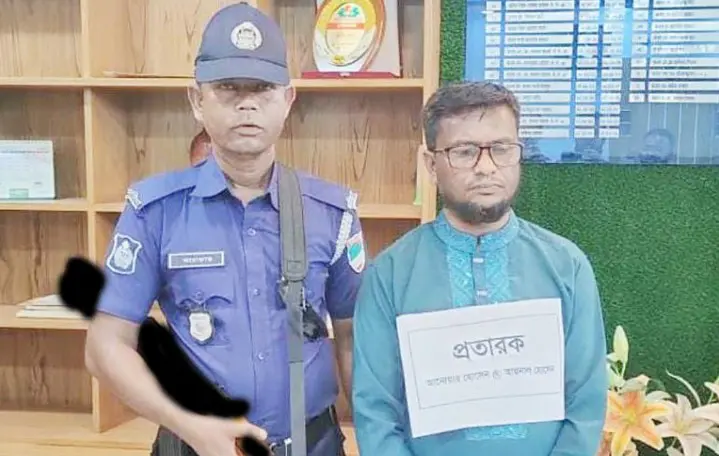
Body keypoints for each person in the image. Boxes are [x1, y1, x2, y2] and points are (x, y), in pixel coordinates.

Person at [85, 3, 363, 456]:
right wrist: (190, 425)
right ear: (197, 101)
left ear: (288, 100)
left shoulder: (332, 213)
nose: (246, 103)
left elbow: (352, 341)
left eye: (263, 88)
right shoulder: (155, 211)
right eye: (228, 88)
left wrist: (377, 437)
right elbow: (104, 346)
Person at [351, 81, 608, 455]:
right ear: (431, 165)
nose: (486, 167)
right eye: (464, 151)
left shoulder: (567, 266)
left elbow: (585, 405)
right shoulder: (389, 274)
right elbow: (376, 414)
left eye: (502, 149)